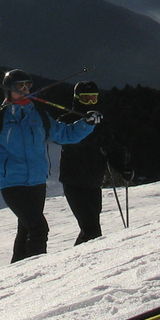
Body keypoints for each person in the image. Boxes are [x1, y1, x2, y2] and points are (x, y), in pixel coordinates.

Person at [0, 69, 100, 262]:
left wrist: (87, 124)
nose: (25, 90)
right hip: (13, 183)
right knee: (39, 228)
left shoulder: (39, 116)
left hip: (37, 182)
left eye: (28, 86)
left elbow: (65, 134)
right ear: (7, 91)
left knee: (26, 229)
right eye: (20, 87)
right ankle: (37, 271)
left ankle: (17, 273)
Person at [59, 80, 109, 245]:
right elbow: (69, 141)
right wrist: (87, 126)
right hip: (74, 182)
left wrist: (123, 167)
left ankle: (82, 258)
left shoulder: (100, 120)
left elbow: (110, 145)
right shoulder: (67, 120)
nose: (89, 103)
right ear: (77, 98)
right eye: (85, 98)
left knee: (92, 227)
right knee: (91, 229)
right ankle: (81, 262)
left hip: (94, 182)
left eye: (93, 99)